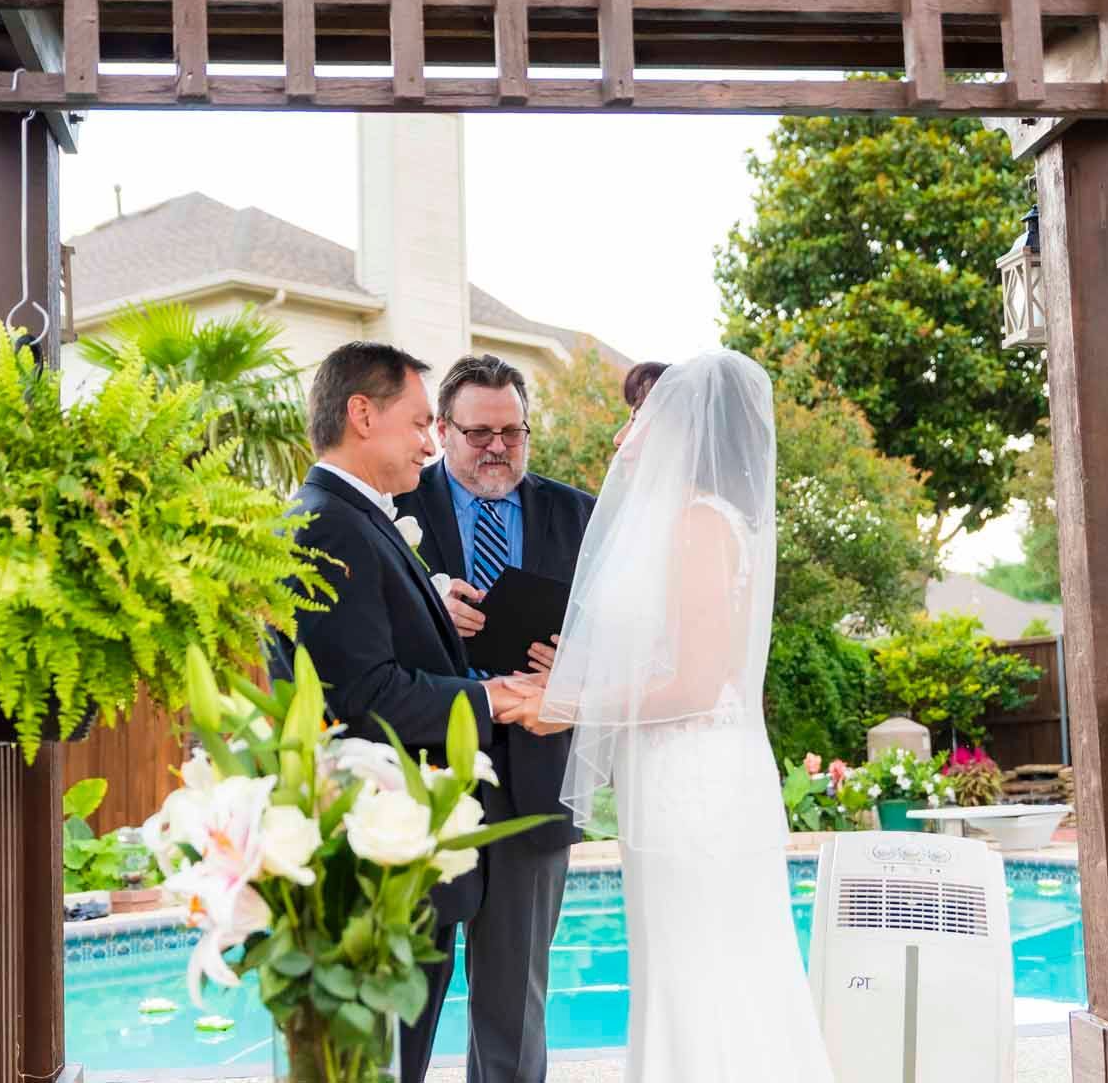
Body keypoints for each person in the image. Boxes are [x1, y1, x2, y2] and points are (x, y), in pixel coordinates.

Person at [533, 351, 838, 1083]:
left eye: (641, 413)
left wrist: (569, 703)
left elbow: (698, 685)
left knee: (705, 972)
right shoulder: (701, 520)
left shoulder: (700, 523)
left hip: (693, 783)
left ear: (686, 429)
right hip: (684, 773)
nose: (627, 433)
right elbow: (670, 662)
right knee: (689, 966)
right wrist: (579, 678)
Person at [268, 341, 540, 1083]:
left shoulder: (355, 517)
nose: (432, 440)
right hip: (380, 863)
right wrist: (491, 698)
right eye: (421, 422)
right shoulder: (328, 525)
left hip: (405, 859)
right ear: (362, 414)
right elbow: (364, 696)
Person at [393, 354, 595, 1083]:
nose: (497, 447)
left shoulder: (581, 514)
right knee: (404, 995)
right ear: (442, 429)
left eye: (513, 431)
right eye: (479, 432)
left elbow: (624, 640)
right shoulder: (394, 511)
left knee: (514, 1004)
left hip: (537, 778)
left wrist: (577, 660)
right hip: (422, 783)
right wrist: (427, 608)